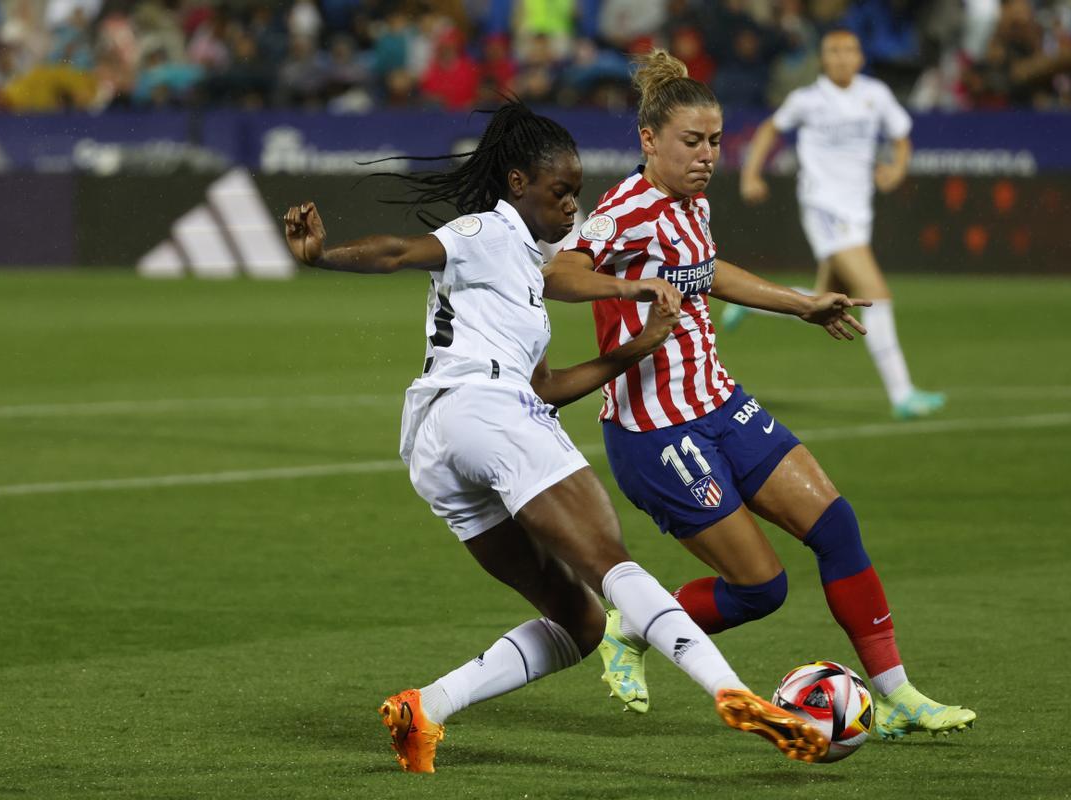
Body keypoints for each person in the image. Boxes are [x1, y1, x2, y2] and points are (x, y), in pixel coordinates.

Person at [282, 101, 831, 773]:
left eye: (576, 193)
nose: (572, 207)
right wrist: (321, 257)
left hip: (439, 442)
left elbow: (543, 388)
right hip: (485, 411)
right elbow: (400, 251)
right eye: (560, 192)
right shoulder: (487, 229)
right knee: (612, 562)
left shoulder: (520, 262)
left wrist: (638, 348)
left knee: (581, 620)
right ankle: (733, 692)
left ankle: (423, 708)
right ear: (518, 183)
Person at [542, 50, 976, 739]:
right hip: (657, 434)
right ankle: (632, 629)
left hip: (719, 402)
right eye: (692, 141)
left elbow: (706, 269)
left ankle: (896, 695)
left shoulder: (693, 202)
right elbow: (559, 272)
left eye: (715, 141)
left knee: (837, 527)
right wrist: (633, 288)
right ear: (648, 140)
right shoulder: (622, 212)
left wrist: (799, 304)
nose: (707, 155)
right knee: (760, 589)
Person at [730, 29, 947, 421]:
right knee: (876, 292)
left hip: (858, 211)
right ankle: (902, 394)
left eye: (850, 50)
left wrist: (896, 170)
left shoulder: (875, 95)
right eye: (834, 51)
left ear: (860, 58)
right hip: (823, 206)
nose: (843, 57)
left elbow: (901, 138)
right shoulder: (808, 100)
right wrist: (751, 175)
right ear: (823, 60)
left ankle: (755, 303)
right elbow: (769, 130)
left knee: (825, 298)